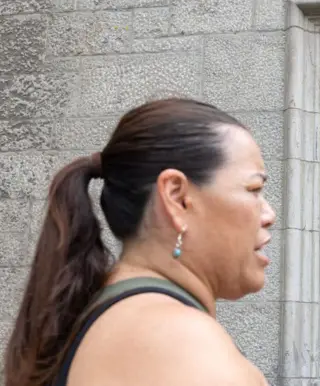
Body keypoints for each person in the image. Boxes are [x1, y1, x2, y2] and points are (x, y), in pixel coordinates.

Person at [3, 98, 276, 386]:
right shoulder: (177, 341)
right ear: (177, 198)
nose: (269, 214)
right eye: (254, 189)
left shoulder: (114, 319)